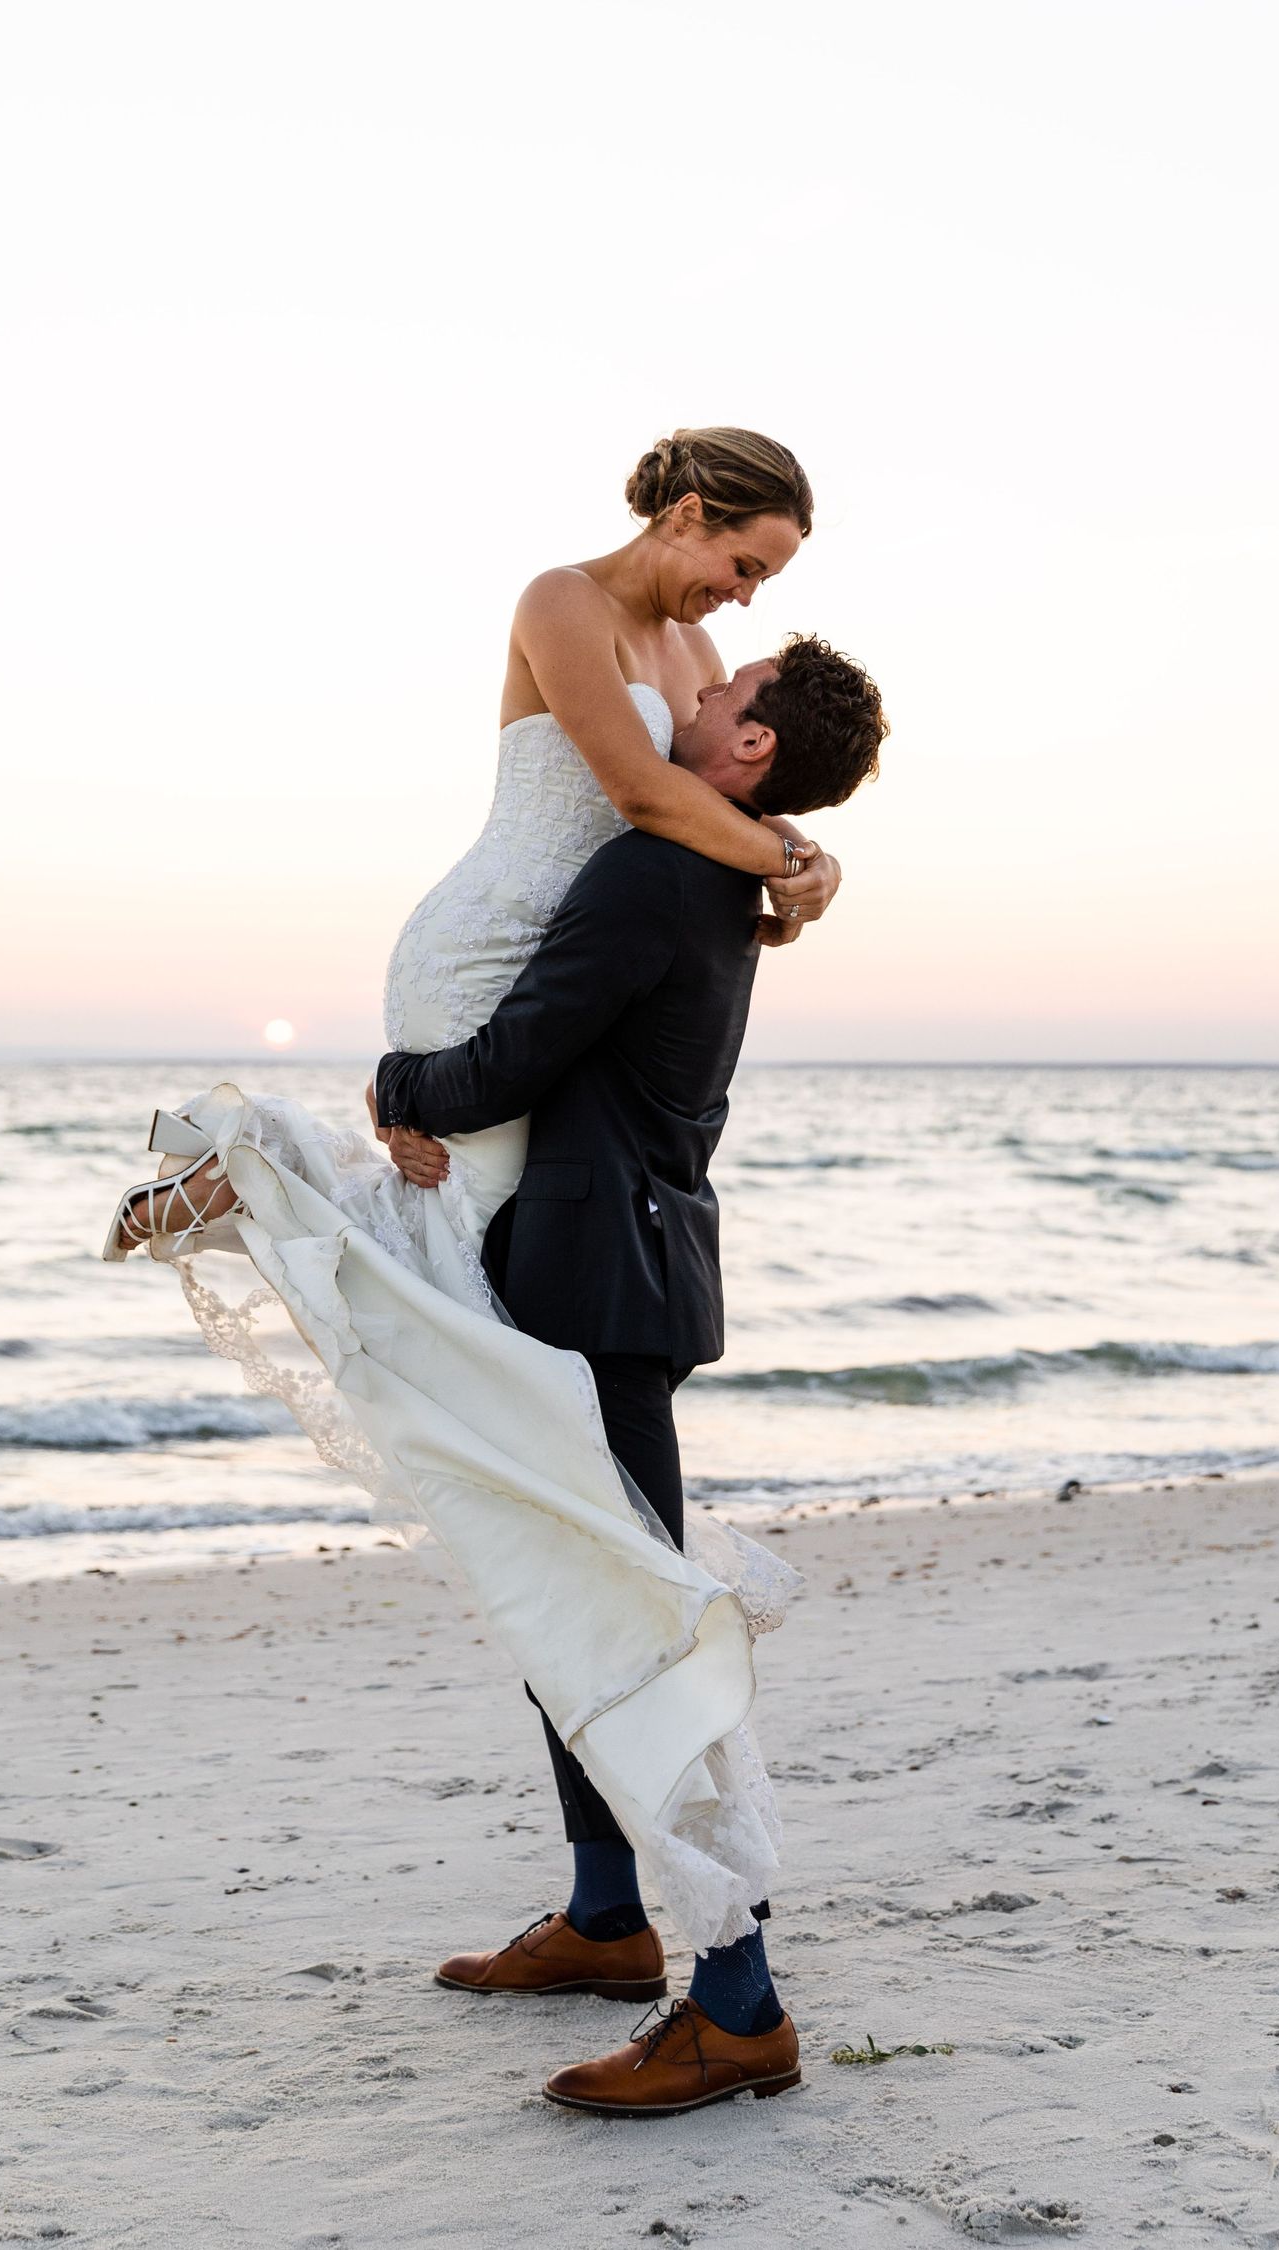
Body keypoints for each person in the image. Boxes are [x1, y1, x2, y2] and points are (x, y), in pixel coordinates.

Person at [374, 634, 887, 2115]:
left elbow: (522, 1052)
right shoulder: (719, 874)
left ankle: (738, 2007)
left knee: (627, 1628)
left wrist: (400, 1085)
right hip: (623, 1271)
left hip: (597, 1283)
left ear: (751, 754)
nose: (693, 698)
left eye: (720, 700)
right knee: (575, 1600)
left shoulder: (661, 874)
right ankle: (607, 1918)